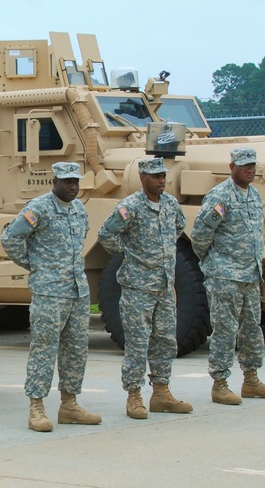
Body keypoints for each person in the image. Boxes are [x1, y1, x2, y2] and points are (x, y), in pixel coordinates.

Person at [1, 162, 101, 432]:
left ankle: (69, 405)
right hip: (49, 292)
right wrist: (36, 266)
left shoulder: (79, 208)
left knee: (76, 350)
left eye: (76, 181)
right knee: (44, 350)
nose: (73, 186)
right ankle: (37, 407)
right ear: (54, 181)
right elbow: (10, 238)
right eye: (67, 181)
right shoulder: (39, 208)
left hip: (77, 292)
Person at [98, 157, 192, 420]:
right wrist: (131, 253)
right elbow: (106, 235)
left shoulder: (171, 205)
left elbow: (178, 228)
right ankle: (134, 396)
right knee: (138, 344)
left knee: (165, 340)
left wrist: (159, 253)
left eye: (163, 175)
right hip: (137, 287)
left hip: (163, 287)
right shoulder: (130, 207)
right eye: (155, 176)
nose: (161, 180)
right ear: (142, 178)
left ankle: (161, 393)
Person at [190, 146, 265, 404]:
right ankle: (220, 384)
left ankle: (251, 380)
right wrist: (213, 262)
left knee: (252, 329)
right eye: (244, 166)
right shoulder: (220, 197)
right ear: (232, 168)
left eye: (252, 165)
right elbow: (199, 235)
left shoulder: (254, 195)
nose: (250, 170)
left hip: (250, 276)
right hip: (225, 276)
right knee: (225, 330)